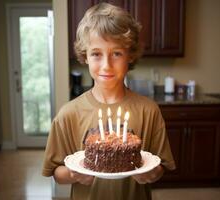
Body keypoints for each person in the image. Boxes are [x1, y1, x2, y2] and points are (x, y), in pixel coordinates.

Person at [42, 3, 175, 200]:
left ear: (129, 55)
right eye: (96, 53)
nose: (106, 65)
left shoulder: (149, 111)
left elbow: (161, 165)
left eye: (117, 53)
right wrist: (73, 174)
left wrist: (151, 173)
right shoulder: (68, 115)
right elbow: (56, 173)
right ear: (85, 56)